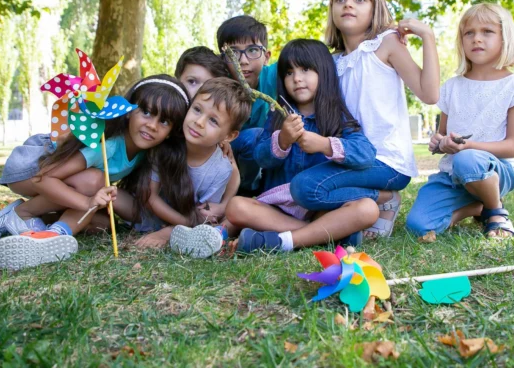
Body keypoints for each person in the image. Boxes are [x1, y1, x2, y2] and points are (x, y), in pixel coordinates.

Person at [173, 39, 379, 255]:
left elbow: (366, 154)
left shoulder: (337, 117)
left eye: (306, 70)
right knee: (236, 207)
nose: (297, 78)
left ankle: (284, 241)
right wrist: (283, 141)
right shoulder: (279, 115)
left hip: (320, 208)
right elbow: (261, 157)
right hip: (277, 210)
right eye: (289, 72)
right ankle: (327, 235)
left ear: (324, 72)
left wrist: (325, 144)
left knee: (367, 209)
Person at [0, 75, 192, 270]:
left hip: (63, 179)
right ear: (127, 111)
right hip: (32, 169)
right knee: (95, 181)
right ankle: (29, 219)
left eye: (163, 121)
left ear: (172, 131)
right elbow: (43, 178)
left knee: (101, 223)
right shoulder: (106, 144)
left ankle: (36, 220)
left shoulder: (148, 152)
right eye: (145, 112)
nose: (152, 125)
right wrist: (87, 203)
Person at [289, 0, 440, 238]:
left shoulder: (386, 45)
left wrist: (427, 37)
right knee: (301, 187)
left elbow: (429, 95)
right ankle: (363, 210)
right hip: (350, 157)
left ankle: (385, 198)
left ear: (374, 8)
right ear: (332, 10)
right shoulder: (332, 62)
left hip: (386, 162)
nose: (348, 4)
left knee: (306, 187)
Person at [405, 3, 514, 239]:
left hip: (494, 171)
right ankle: (477, 208)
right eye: (469, 33)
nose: (477, 39)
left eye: (487, 32)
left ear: (504, 39)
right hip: (452, 175)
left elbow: (512, 147)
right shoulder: (452, 86)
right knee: (418, 225)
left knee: (467, 160)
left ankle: (496, 211)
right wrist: (439, 142)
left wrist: (468, 147)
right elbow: (442, 134)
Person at [130, 78, 251, 255]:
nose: (199, 122)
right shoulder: (167, 142)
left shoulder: (220, 169)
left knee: (212, 224)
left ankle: (176, 232)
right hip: (148, 211)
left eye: (213, 121)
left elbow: (202, 217)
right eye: (197, 109)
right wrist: (182, 222)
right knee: (113, 198)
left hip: (186, 219)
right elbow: (150, 196)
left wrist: (172, 229)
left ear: (230, 136)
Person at [216, 15, 279, 194]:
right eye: (233, 53)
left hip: (257, 157)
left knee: (259, 138)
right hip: (220, 153)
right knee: (252, 137)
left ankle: (252, 189)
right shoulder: (217, 83)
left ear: (266, 57)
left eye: (252, 50)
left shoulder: (272, 76)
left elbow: (306, 59)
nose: (243, 61)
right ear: (222, 59)